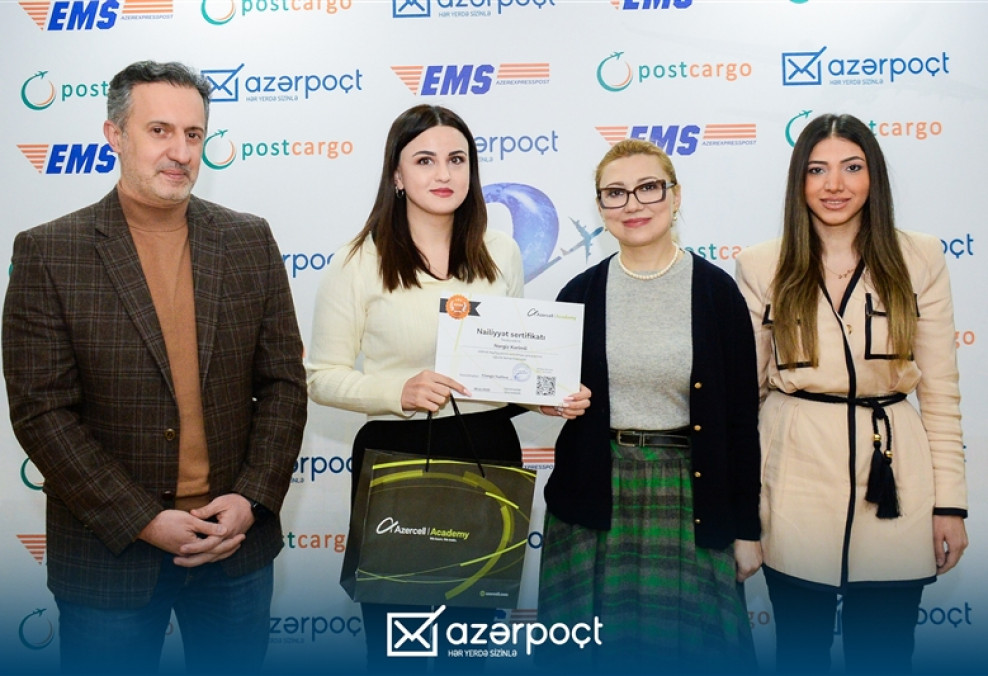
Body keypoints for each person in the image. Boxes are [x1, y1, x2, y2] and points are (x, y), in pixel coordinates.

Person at [2, 61, 308, 675]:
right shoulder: (49, 251)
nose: (181, 152)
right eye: (160, 131)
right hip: (108, 555)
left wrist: (251, 498)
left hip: (233, 547)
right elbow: (43, 412)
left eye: (193, 134)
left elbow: (283, 384)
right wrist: (141, 519)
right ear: (115, 136)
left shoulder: (249, 240)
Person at [305, 104, 589, 673]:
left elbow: (501, 366)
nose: (443, 173)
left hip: (489, 452)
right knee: (398, 652)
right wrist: (399, 391)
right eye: (425, 160)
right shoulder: (356, 262)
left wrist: (543, 393)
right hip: (399, 456)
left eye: (457, 160)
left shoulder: (500, 252)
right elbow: (321, 375)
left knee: (469, 649)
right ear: (396, 174)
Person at [734, 113, 968, 674]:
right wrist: (743, 515)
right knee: (800, 655)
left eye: (852, 167)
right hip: (794, 481)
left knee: (884, 656)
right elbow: (743, 401)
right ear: (799, 181)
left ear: (873, 176)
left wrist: (950, 505)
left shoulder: (920, 258)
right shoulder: (761, 264)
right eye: (817, 170)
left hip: (895, 482)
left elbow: (941, 393)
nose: (834, 184)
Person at [537, 138, 762, 674]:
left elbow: (740, 421)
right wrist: (550, 402)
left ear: (675, 196)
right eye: (615, 193)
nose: (632, 204)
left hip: (688, 495)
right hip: (593, 495)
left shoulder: (717, 293)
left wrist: (747, 528)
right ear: (600, 206)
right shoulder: (578, 294)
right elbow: (549, 389)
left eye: (648, 188)